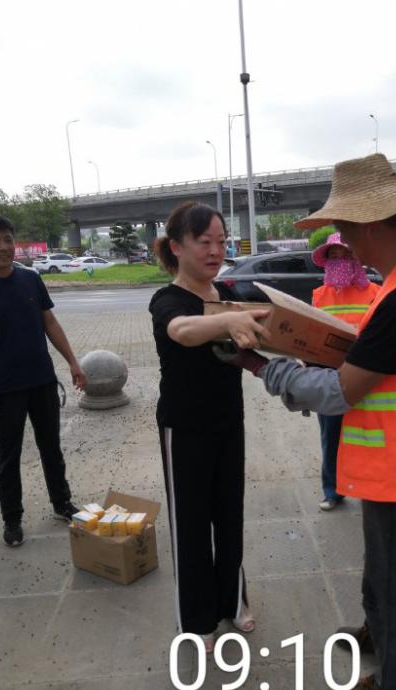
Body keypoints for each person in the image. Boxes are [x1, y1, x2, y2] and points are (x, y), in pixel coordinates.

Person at [221, 155, 396, 690]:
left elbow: (343, 392)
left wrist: (263, 367)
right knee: (383, 565)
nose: (340, 238)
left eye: (342, 226)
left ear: (368, 226)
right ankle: (377, 630)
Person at [148, 201, 270, 653]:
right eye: (205, 242)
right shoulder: (168, 300)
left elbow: (249, 348)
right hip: (184, 428)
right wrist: (227, 318)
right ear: (177, 247)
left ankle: (233, 600)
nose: (216, 250)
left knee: (229, 514)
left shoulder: (227, 294)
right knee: (191, 523)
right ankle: (196, 615)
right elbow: (183, 331)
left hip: (227, 421)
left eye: (221, 241)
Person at [0, 213, 86, 547]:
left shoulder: (30, 279)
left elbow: (49, 322)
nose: (4, 247)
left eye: (8, 239)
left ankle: (62, 502)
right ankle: (12, 519)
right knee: (8, 455)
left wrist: (73, 362)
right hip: (4, 388)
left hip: (42, 381)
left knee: (51, 446)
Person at [311, 232, 379, 511]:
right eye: (334, 256)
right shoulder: (319, 295)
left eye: (345, 254)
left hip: (368, 376)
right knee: (331, 438)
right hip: (330, 377)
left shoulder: (375, 293)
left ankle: (371, 488)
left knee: (370, 437)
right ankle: (333, 491)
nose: (339, 261)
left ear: (356, 259)